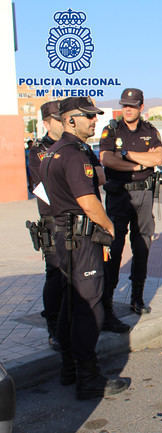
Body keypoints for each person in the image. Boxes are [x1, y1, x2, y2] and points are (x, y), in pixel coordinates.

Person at [40, 96, 128, 400]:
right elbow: (88, 202)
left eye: (95, 116)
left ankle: (69, 368)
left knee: (68, 304)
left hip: (63, 239)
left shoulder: (53, 152)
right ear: (69, 120)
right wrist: (109, 226)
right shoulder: (75, 154)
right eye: (88, 116)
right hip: (80, 240)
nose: (94, 120)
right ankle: (89, 379)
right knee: (88, 308)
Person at [99, 88, 162, 330]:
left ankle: (137, 297)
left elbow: (157, 159)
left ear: (141, 107)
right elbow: (107, 159)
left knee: (142, 245)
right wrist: (139, 162)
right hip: (119, 194)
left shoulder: (150, 130)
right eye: (124, 104)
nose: (128, 109)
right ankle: (107, 302)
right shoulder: (112, 129)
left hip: (144, 194)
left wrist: (125, 155)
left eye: (132, 105)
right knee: (114, 246)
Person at [27, 101, 65, 351]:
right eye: (58, 119)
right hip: (53, 220)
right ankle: (54, 327)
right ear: (47, 122)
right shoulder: (38, 151)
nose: (63, 122)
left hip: (76, 219)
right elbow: (41, 188)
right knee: (55, 275)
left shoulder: (75, 146)